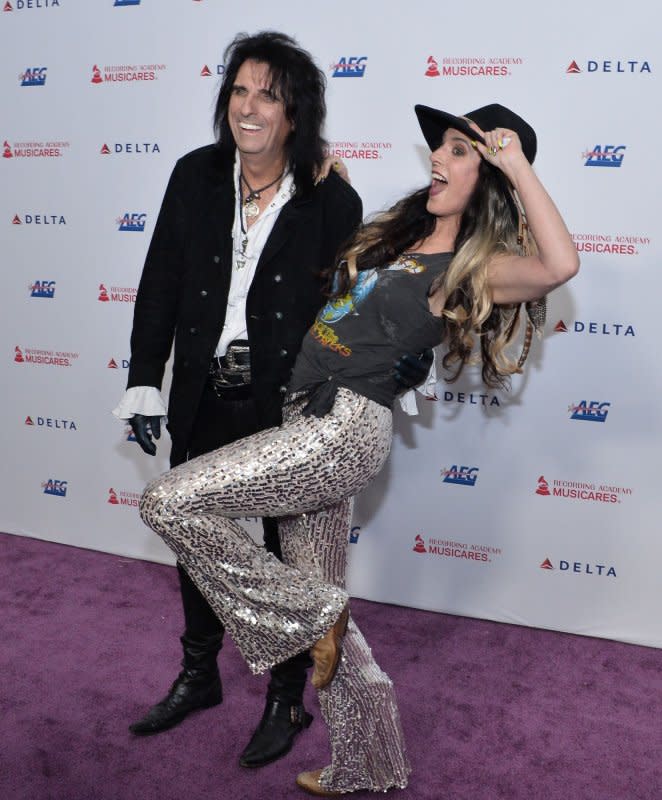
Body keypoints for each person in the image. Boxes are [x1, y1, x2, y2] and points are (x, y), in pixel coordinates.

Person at [138, 101, 579, 796]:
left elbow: (558, 265)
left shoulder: (479, 265)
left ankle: (312, 614)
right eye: (441, 146)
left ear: (491, 174)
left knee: (168, 501)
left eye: (461, 151)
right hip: (305, 414)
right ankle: (368, 763)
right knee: (329, 622)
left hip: (342, 429)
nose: (438, 155)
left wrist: (515, 160)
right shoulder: (399, 238)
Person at [113, 31, 429, 768]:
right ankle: (198, 672)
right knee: (195, 532)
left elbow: (363, 305)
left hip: (288, 400)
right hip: (200, 386)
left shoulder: (331, 199)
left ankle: (287, 694)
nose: (249, 108)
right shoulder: (194, 175)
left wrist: (393, 375)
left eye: (270, 95)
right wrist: (141, 376)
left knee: (289, 549)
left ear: (295, 113)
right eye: (240, 90)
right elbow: (160, 283)